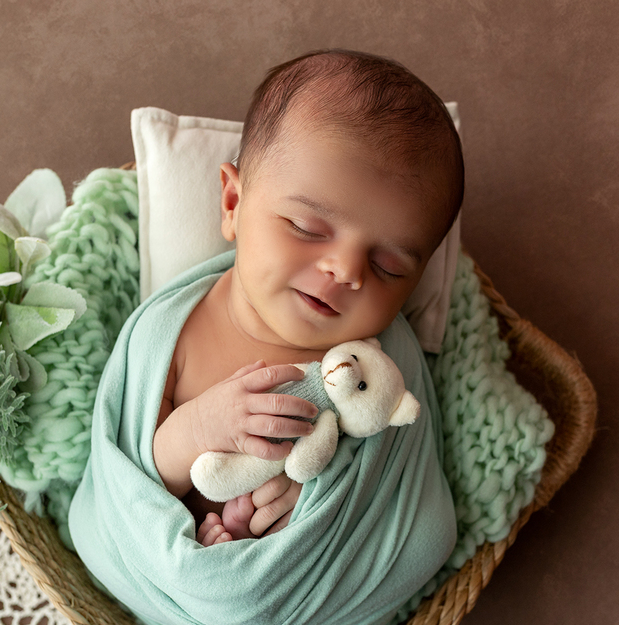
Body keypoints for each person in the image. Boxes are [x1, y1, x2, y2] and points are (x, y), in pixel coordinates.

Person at [149, 48, 465, 546]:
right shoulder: (179, 327)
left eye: (387, 267)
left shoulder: (381, 368)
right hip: (168, 559)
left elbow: (406, 515)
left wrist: (316, 501)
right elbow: (136, 481)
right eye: (306, 227)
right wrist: (200, 428)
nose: (345, 270)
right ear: (233, 204)